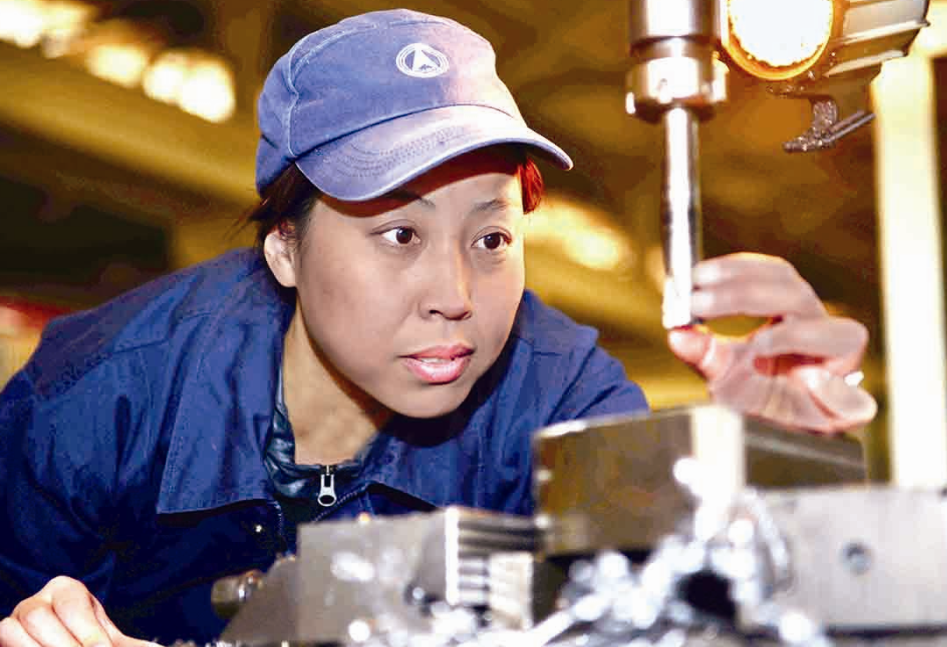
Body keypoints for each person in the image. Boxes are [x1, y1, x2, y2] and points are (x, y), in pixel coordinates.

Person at [0, 8, 876, 647]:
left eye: (491, 238)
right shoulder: (92, 402)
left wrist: (774, 480)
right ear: (285, 251)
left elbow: (672, 613)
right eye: (400, 234)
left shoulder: (561, 400)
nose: (456, 294)